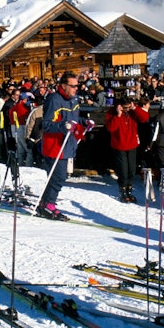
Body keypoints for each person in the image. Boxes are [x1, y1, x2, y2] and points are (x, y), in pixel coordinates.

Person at [37, 72, 94, 220]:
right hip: (54, 145)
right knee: (59, 177)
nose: (76, 88)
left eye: (77, 85)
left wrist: (84, 122)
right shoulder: (54, 100)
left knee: (57, 177)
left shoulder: (74, 99)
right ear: (63, 86)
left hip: (68, 143)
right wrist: (63, 125)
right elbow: (47, 124)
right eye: (73, 86)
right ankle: (49, 205)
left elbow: (74, 118)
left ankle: (45, 204)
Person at [104, 96, 149, 203]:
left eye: (128, 107)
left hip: (132, 144)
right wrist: (118, 115)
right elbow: (110, 128)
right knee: (123, 170)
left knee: (132, 170)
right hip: (119, 145)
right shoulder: (112, 112)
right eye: (125, 107)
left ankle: (129, 189)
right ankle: (123, 190)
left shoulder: (133, 111)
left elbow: (144, 118)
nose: (127, 109)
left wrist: (135, 108)